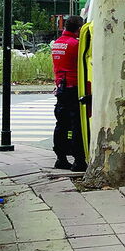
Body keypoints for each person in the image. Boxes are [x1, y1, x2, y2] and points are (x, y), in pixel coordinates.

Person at [51, 15, 87, 171]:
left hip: (61, 87)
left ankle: (60, 158)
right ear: (79, 29)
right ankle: (79, 161)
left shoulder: (57, 43)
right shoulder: (76, 45)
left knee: (61, 124)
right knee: (76, 124)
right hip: (73, 87)